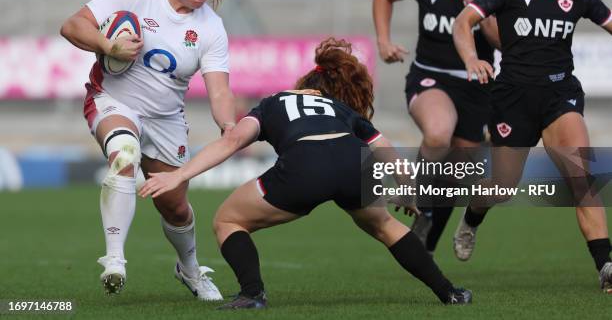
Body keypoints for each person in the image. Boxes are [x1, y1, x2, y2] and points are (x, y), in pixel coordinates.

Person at [139, 38, 473, 309]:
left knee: (227, 220)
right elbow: (385, 149)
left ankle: (252, 294)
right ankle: (449, 292)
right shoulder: (340, 109)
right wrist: (408, 192)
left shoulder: (272, 102)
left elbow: (233, 140)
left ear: (303, 84)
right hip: (351, 160)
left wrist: (179, 175)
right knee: (385, 225)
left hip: (305, 164)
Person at [60, 0, 235, 299]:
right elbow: (72, 25)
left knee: (175, 206)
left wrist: (229, 125)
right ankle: (114, 261)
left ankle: (189, 269)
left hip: (167, 118)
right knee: (124, 154)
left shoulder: (211, 27)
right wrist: (108, 46)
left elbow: (218, 90)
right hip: (114, 101)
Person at [452, 0, 612, 293]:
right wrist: (472, 59)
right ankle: (473, 218)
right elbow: (463, 23)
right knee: (502, 187)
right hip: (513, 99)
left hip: (560, 96)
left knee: (581, 177)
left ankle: (605, 265)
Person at [372, 0, 498, 254]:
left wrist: (479, 8)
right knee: (439, 133)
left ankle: (426, 241)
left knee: (455, 175)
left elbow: (501, 40)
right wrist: (383, 40)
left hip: (476, 84)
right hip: (430, 76)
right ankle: (417, 201)